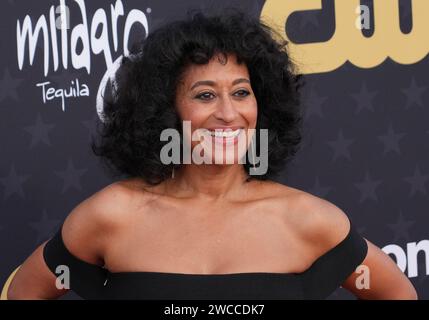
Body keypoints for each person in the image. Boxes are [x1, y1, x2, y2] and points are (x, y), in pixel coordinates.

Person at [7, 9, 417, 300]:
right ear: (167, 110)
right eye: (204, 95)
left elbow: (396, 292)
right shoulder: (111, 215)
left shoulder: (308, 220)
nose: (227, 113)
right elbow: (26, 290)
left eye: (241, 92)